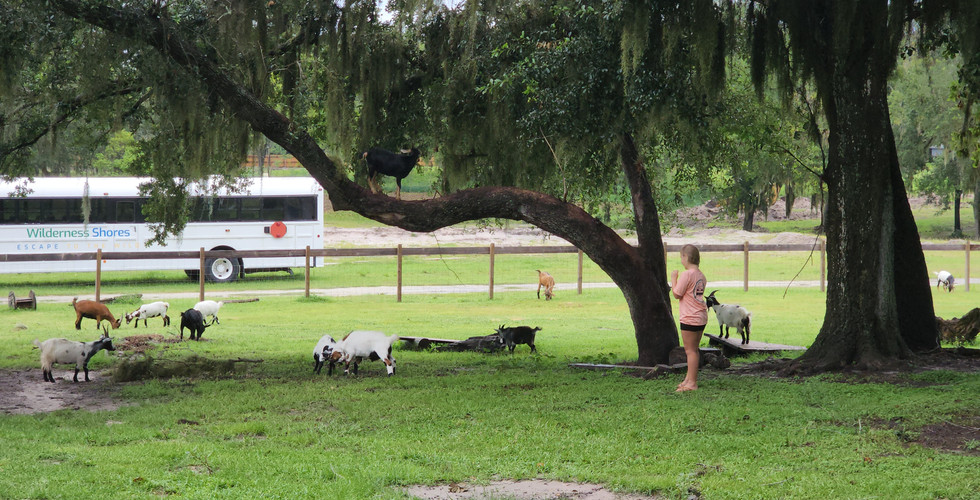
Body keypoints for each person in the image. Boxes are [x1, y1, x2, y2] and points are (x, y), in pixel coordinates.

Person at [670, 244, 707, 392]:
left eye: (681, 257)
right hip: (701, 316)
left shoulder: (687, 274)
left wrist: (673, 279)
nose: (681, 260)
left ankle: (692, 383)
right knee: (694, 350)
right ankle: (688, 379)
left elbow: (677, 294)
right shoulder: (701, 275)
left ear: (686, 257)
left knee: (690, 351)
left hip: (690, 317)